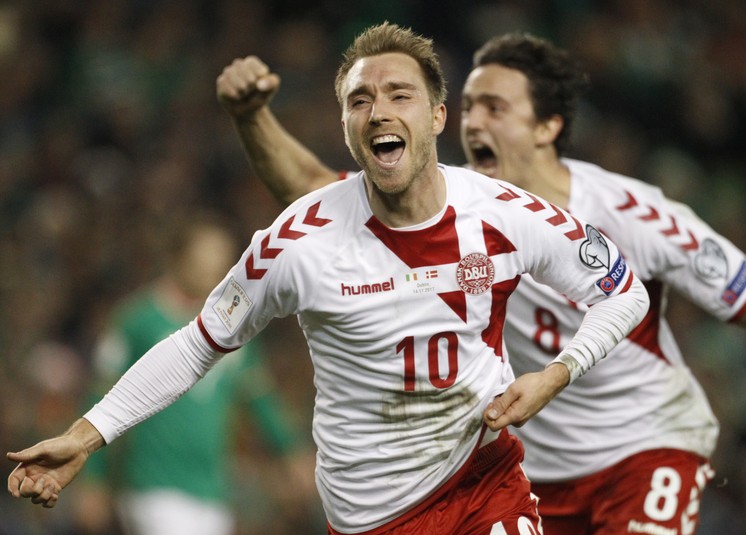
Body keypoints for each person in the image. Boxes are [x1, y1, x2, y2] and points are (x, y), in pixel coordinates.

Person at [213, 32, 746, 534]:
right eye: (467, 106)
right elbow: (309, 194)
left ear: (548, 126)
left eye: (495, 107)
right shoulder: (441, 213)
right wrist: (250, 118)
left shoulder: (631, 215)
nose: (473, 123)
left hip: (644, 448)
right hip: (530, 473)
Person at [7, 23, 650, 535]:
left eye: (400, 95)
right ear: (345, 125)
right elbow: (199, 344)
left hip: (482, 482)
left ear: (436, 117)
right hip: (371, 516)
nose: (378, 112)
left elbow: (624, 291)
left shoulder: (508, 214)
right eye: (359, 100)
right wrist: (85, 436)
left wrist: (556, 374)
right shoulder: (298, 242)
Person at [70, 216, 316, 535]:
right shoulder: (138, 321)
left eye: (222, 260)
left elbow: (259, 397)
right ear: (178, 259)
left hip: (212, 490)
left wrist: (290, 450)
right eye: (205, 259)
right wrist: (93, 478)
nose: (216, 269)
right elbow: (99, 395)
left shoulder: (233, 325)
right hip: (153, 484)